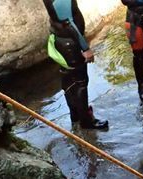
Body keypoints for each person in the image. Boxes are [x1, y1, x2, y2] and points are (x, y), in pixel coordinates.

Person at [43, 0, 108, 129]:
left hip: (60, 40)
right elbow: (68, 23)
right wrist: (85, 48)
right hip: (70, 44)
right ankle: (86, 121)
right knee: (80, 81)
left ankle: (75, 116)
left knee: (68, 78)